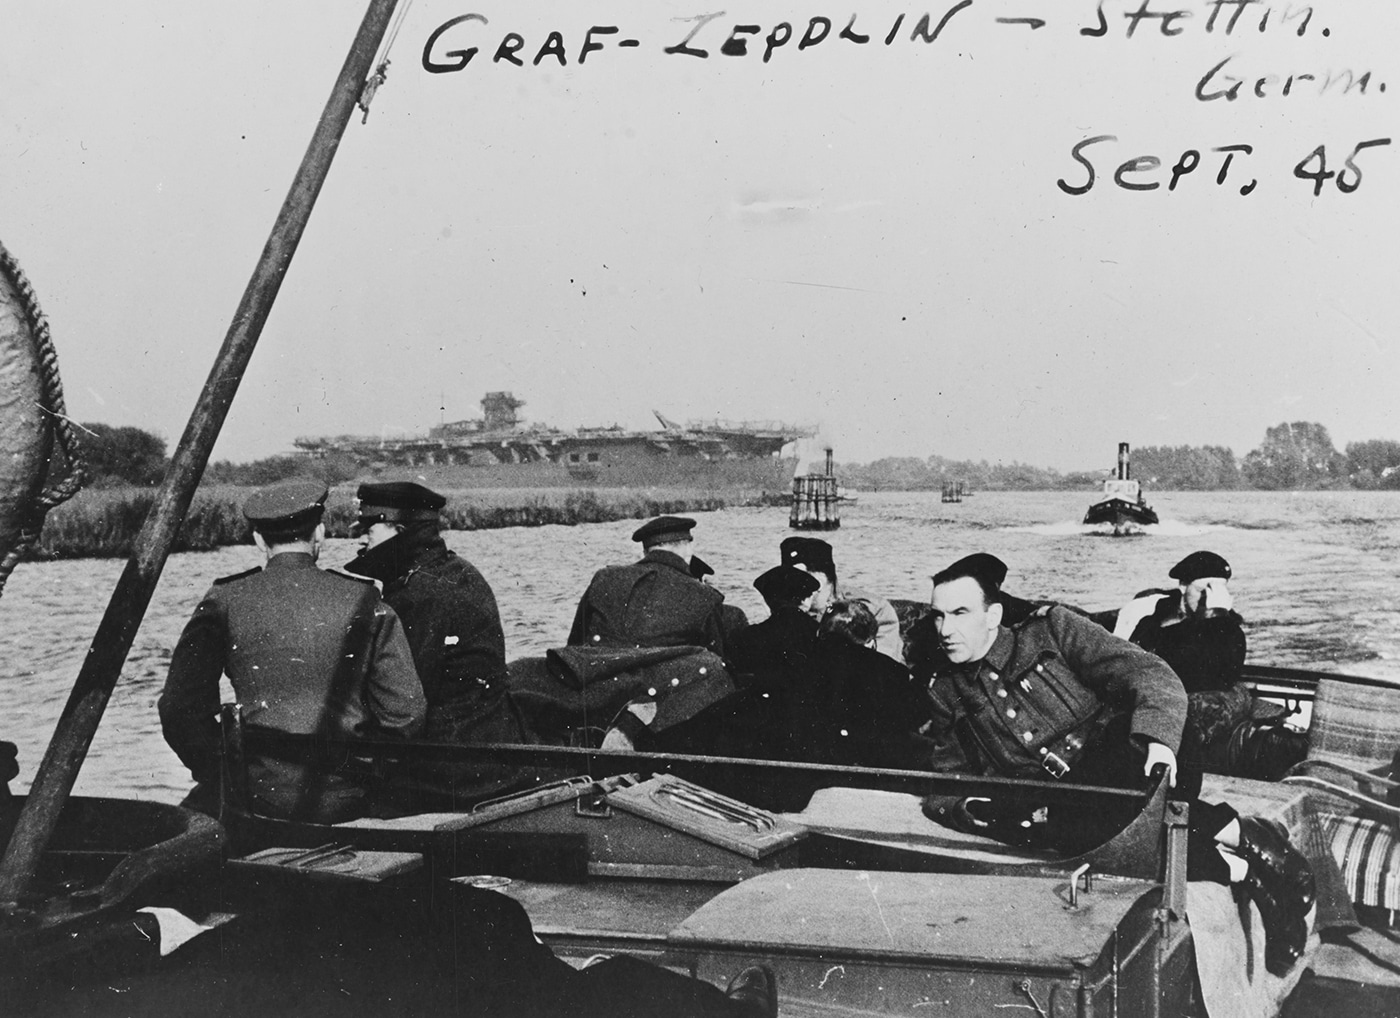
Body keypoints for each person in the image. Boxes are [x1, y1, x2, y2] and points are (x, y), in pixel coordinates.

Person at [918, 553, 1316, 977]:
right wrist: (971, 808)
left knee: (1105, 800)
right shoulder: (945, 690)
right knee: (1080, 826)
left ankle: (1242, 850)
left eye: (959, 613)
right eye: (938, 617)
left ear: (993, 614)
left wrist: (1158, 742)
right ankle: (1245, 863)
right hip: (1079, 803)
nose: (945, 630)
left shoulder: (1052, 629)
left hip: (1139, 754)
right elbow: (945, 779)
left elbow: (1152, 675)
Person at [158, 479, 425, 823]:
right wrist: (365, 773)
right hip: (348, 798)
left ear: (258, 540)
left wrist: (225, 773)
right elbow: (406, 715)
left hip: (254, 796)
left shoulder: (224, 600)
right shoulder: (365, 599)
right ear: (320, 534)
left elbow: (179, 710)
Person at [344, 481, 533, 808]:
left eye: (369, 528)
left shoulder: (420, 594)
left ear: (399, 529)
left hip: (451, 768)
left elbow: (405, 702)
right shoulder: (452, 571)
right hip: (486, 745)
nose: (361, 538)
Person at [1116, 551, 1306, 780]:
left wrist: (1215, 617)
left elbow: (1220, 675)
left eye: (1217, 591)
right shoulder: (1154, 621)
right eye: (1203, 590)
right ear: (1183, 585)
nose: (1208, 598)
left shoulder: (1227, 627)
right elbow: (1147, 664)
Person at [562, 516, 740, 749]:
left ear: (647, 550)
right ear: (687, 547)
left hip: (598, 681)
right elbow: (720, 657)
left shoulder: (605, 577)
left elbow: (575, 640)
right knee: (717, 671)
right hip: (657, 699)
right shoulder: (704, 595)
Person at [806, 599, 936, 769]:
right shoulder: (891, 671)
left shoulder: (797, 659)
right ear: (870, 640)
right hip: (872, 767)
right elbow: (913, 718)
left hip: (807, 760)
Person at [778, 536, 902, 661]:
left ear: (819, 581)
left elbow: (882, 669)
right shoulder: (785, 610)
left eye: (794, 579)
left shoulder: (874, 611)